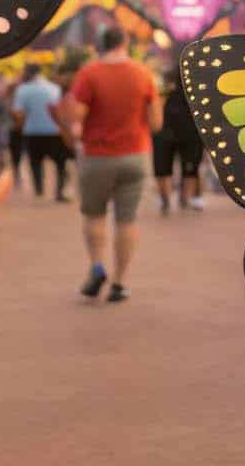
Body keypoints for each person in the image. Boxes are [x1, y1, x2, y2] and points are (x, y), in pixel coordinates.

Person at [59, 28, 158, 302]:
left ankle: (97, 266)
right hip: (135, 156)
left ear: (100, 45)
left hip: (97, 156)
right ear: (125, 43)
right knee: (127, 221)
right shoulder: (143, 74)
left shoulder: (89, 74)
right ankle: (119, 282)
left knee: (94, 215)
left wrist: (73, 123)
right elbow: (156, 122)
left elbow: (76, 119)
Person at [151, 61, 204, 214]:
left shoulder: (162, 87)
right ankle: (182, 201)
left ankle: (167, 201)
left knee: (163, 169)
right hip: (189, 131)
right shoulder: (197, 87)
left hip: (166, 131)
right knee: (189, 168)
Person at [11, 63, 70, 200]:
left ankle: (39, 188)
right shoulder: (54, 88)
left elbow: (18, 112)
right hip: (54, 131)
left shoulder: (23, 89)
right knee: (60, 162)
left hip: (32, 131)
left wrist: (20, 126)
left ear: (27, 74)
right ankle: (59, 190)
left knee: (35, 161)